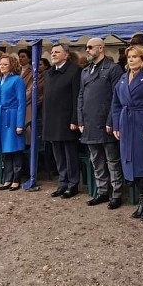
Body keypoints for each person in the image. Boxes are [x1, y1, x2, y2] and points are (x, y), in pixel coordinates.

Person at [112, 45, 143, 220]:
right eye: (129, 57)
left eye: (135, 56)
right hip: (126, 124)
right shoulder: (123, 78)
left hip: (142, 122)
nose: (131, 60)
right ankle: (141, 202)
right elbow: (116, 104)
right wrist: (116, 126)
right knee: (131, 163)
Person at [78, 38, 125, 209]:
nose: (87, 50)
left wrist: (111, 120)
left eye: (90, 47)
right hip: (89, 122)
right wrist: (80, 119)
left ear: (101, 48)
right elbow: (81, 96)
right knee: (96, 160)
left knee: (112, 160)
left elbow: (117, 97)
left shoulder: (113, 69)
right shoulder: (85, 71)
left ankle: (117, 193)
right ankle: (102, 191)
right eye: (86, 48)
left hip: (105, 122)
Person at [43, 43, 82, 198]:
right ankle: (62, 182)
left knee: (69, 153)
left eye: (57, 52)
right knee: (58, 153)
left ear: (66, 55)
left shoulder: (75, 71)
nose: (53, 54)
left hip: (67, 119)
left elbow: (76, 97)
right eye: (52, 52)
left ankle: (73, 184)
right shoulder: (49, 73)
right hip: (52, 119)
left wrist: (75, 119)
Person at [0, 54, 27, 191]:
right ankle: (7, 178)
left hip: (12, 117)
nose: (2, 66)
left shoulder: (17, 80)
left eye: (5, 64)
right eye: (1, 64)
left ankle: (16, 179)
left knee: (15, 149)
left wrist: (19, 124)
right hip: (0, 117)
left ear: (12, 65)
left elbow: (21, 104)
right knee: (5, 150)